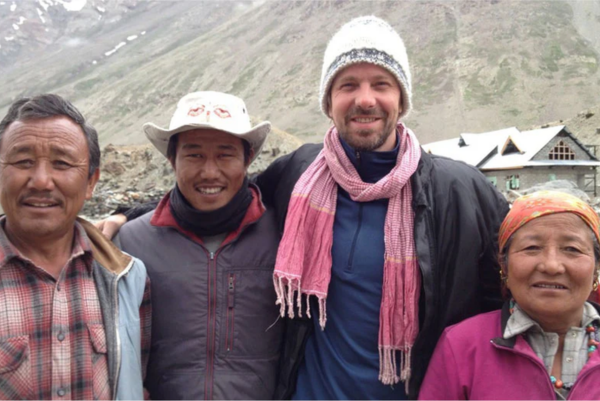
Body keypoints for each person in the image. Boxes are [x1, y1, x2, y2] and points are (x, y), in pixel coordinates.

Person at [97, 16, 509, 399]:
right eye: (347, 85)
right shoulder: (301, 175)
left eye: (381, 84)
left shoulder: (459, 190)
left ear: (402, 99)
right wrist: (127, 217)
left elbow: (516, 279)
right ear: (328, 102)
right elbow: (219, 192)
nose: (365, 100)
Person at [115, 91, 284, 399]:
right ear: (171, 159)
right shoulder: (130, 242)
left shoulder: (283, 236)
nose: (209, 172)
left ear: (248, 159)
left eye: (225, 154)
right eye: (193, 155)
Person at [0, 94, 150, 400]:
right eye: (23, 161)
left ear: (91, 181)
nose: (41, 181)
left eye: (62, 163)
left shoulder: (128, 279)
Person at [419, 191, 600, 400]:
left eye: (572, 249)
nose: (551, 266)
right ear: (504, 265)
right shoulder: (461, 346)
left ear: (595, 267)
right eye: (531, 247)